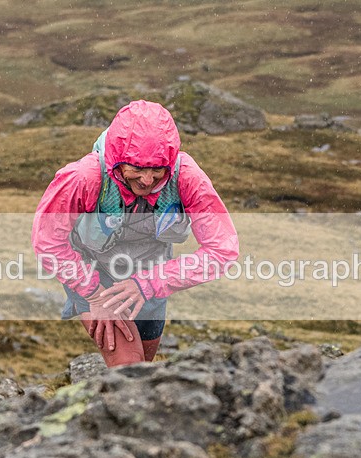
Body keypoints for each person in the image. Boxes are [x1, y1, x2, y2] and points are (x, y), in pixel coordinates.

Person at [32, 100, 238, 367]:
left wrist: (150, 284)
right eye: (137, 168)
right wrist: (93, 294)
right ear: (116, 160)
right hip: (93, 273)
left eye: (157, 169)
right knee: (129, 367)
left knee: (144, 369)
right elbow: (47, 241)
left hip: (152, 277)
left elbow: (222, 250)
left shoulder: (187, 177)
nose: (147, 180)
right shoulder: (84, 177)